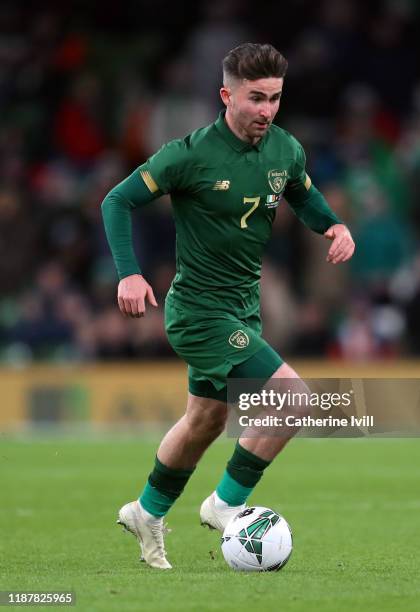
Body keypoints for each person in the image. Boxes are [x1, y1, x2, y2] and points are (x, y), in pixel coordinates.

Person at [101, 43, 355, 569]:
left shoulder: (284, 149)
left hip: (242, 307)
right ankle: (226, 504)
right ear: (226, 95)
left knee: (205, 421)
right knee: (294, 399)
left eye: (275, 99)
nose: (266, 110)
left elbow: (302, 194)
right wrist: (128, 272)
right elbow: (116, 200)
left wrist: (332, 223)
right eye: (256, 98)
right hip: (198, 311)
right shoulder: (188, 154)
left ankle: (146, 513)